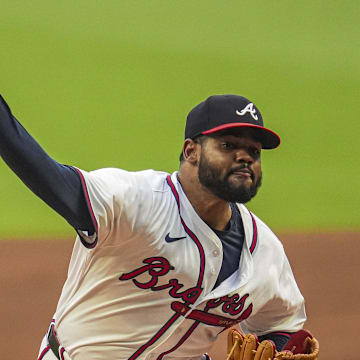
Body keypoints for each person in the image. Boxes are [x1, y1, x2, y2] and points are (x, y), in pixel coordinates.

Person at [0, 94, 307, 360]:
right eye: (228, 145)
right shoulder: (136, 201)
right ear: (191, 151)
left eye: (254, 151)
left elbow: (283, 323)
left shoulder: (265, 250)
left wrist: (277, 345)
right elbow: (44, 173)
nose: (244, 157)